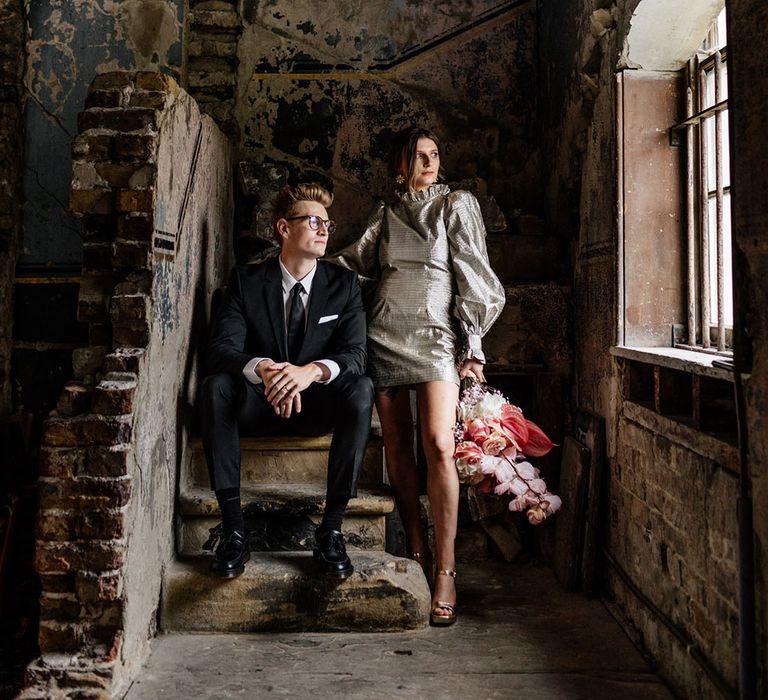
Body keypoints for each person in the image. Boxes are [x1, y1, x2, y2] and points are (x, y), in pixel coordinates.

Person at [329, 127, 505, 625]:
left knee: (439, 444)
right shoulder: (385, 214)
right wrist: (292, 267)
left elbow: (474, 275)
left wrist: (472, 345)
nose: (430, 161)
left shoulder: (455, 205)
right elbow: (353, 266)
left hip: (435, 339)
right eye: (418, 156)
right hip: (385, 335)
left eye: (435, 153)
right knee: (397, 450)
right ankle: (417, 549)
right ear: (399, 168)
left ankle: (447, 569)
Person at [201, 183, 374, 580]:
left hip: (316, 406)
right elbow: (221, 350)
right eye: (313, 221)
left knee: (361, 389)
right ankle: (233, 530)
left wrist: (309, 372)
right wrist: (265, 369)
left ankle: (330, 531)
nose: (324, 229)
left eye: (327, 223)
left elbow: (356, 355)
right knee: (216, 387)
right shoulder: (246, 282)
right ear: (283, 227)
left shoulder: (343, 286)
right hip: (259, 404)